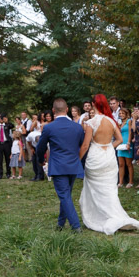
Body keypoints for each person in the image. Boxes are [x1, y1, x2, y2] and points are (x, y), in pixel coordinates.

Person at [78, 94, 139, 234]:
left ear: (93, 104)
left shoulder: (91, 123)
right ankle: (113, 214)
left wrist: (77, 159)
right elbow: (120, 139)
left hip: (95, 156)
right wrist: (109, 146)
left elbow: (85, 145)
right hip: (109, 156)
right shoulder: (111, 121)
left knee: (95, 189)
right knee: (109, 189)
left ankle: (100, 216)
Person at [35, 99, 85, 231]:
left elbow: (40, 147)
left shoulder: (49, 127)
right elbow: (81, 144)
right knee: (66, 195)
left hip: (58, 166)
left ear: (53, 110)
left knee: (64, 195)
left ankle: (76, 226)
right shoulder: (77, 127)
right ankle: (60, 224)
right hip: (73, 165)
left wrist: (41, 160)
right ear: (67, 109)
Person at [116, 107, 135, 188]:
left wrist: (128, 143)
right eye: (120, 113)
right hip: (120, 144)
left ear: (126, 114)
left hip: (127, 143)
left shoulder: (129, 121)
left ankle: (131, 181)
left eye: (123, 113)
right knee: (121, 164)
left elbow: (131, 132)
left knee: (128, 163)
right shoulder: (119, 122)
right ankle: (120, 182)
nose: (121, 115)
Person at [0, 114, 14, 179]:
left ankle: (8, 173)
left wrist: (6, 121)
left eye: (2, 118)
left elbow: (12, 126)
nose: (1, 120)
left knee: (8, 159)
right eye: (0, 118)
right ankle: (0, 174)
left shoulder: (7, 125)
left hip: (6, 143)